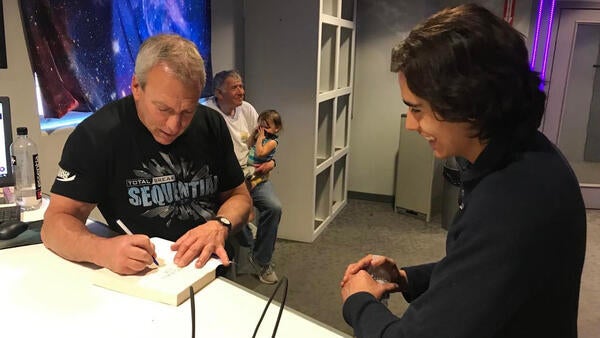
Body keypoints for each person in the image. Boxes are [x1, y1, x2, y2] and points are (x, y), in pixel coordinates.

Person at [340, 4, 586, 338]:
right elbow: (485, 270)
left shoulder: (510, 204)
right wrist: (407, 278)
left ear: (468, 103)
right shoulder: (528, 157)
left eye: (417, 109)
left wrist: (359, 301)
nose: (411, 125)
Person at [41, 34, 252, 276]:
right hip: (144, 276)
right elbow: (54, 225)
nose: (174, 125)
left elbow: (240, 197)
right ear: (136, 87)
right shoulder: (98, 135)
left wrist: (221, 224)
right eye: (163, 109)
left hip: (211, 270)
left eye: (187, 111)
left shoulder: (210, 123)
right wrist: (102, 250)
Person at [203, 70, 283, 284]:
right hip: (224, 179)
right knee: (237, 219)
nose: (241, 91)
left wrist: (271, 162)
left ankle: (261, 260)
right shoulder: (206, 112)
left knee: (273, 207)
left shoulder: (247, 109)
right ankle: (247, 233)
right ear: (219, 93)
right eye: (235, 87)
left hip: (250, 171)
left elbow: (262, 141)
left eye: (241, 86)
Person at [246, 109, 283, 190]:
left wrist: (259, 138)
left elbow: (260, 153)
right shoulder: (261, 137)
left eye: (267, 127)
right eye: (261, 127)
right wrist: (253, 134)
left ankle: (254, 183)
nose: (263, 130)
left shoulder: (272, 142)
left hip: (260, 170)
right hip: (250, 167)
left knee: (259, 179)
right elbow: (249, 144)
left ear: (276, 128)